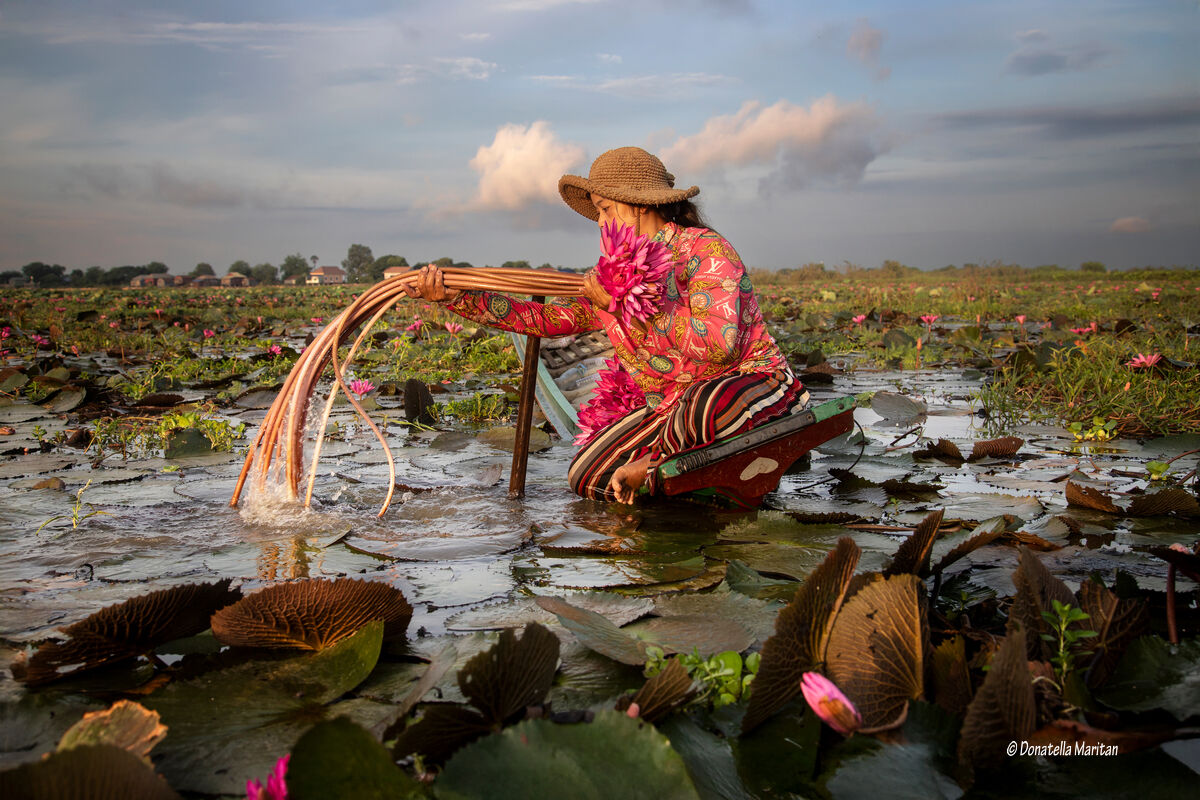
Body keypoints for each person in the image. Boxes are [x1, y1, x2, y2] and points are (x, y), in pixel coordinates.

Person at [402, 146, 807, 504]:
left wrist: (626, 308)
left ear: (641, 204)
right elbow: (543, 319)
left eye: (606, 209)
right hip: (671, 413)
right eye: (598, 211)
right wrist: (456, 298)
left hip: (748, 386)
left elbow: (717, 346)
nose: (600, 221)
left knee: (705, 405)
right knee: (585, 472)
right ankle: (672, 480)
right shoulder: (612, 272)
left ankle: (653, 469)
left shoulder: (706, 251)